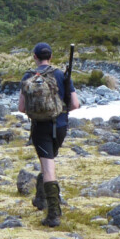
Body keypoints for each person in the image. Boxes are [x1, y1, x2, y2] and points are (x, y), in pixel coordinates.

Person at [18, 42, 80, 227]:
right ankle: (40, 198)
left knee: (48, 167)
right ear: (51, 57)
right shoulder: (61, 75)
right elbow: (75, 104)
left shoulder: (29, 76)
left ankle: (53, 213)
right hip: (60, 126)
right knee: (49, 162)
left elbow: (21, 108)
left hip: (40, 127)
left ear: (35, 57)